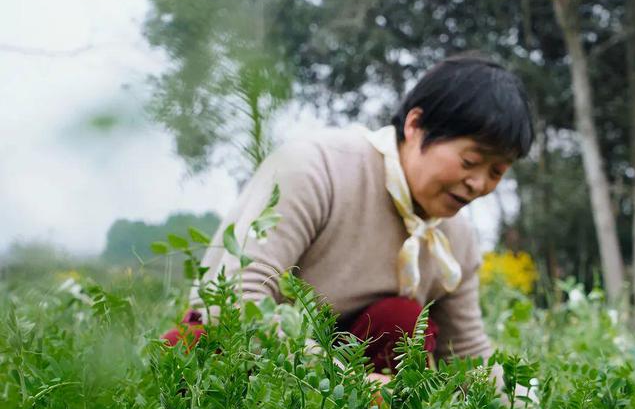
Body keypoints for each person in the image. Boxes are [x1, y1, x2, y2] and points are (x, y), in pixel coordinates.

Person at [163, 54, 534, 390]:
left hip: (346, 384)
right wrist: (345, 382)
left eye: (497, 172)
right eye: (470, 162)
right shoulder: (318, 167)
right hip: (258, 355)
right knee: (192, 348)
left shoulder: (456, 239)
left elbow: (466, 354)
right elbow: (233, 303)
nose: (479, 184)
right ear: (415, 125)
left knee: (401, 323)